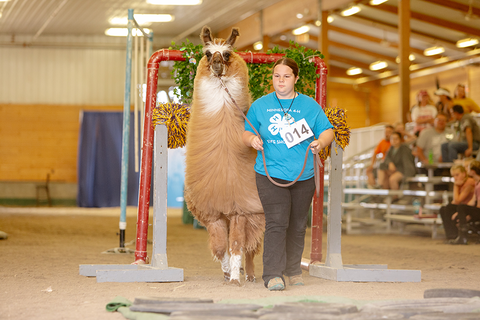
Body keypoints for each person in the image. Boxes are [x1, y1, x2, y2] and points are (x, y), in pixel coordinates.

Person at [242, 57, 334, 291]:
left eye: (286, 76)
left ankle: (293, 269)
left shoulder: (309, 105)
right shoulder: (260, 106)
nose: (280, 80)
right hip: (269, 173)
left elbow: (327, 131)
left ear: (296, 78)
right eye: (276, 76)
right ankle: (273, 274)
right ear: (272, 78)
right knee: (276, 223)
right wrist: (252, 139)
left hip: (303, 176)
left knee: (297, 224)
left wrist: (320, 143)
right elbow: (245, 132)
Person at [439, 164, 475, 241]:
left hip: (469, 207)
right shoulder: (460, 183)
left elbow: (457, 200)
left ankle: (453, 235)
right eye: (453, 176)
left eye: (457, 175)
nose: (455, 178)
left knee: (449, 208)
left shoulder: (469, 182)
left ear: (464, 174)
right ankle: (451, 234)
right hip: (462, 206)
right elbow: (455, 202)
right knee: (443, 209)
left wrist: (455, 186)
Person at [448, 160, 480, 245]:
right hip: (477, 208)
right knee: (461, 208)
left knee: (461, 207)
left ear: (473, 172)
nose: (466, 170)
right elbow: (472, 202)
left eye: (468, 169)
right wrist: (460, 213)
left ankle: (463, 236)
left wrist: (469, 215)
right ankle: (460, 235)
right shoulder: (477, 183)